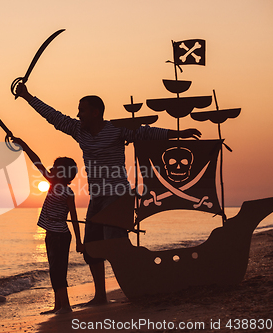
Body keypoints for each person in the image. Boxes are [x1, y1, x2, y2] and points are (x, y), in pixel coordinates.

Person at [15, 83, 201, 305]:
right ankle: (101, 295)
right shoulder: (78, 130)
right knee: (91, 249)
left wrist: (177, 134)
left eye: (82, 110)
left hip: (118, 195)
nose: (77, 114)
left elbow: (147, 132)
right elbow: (54, 117)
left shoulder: (117, 130)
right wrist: (27, 96)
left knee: (115, 246)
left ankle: (136, 288)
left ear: (96, 112)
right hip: (97, 197)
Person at [11, 136, 83, 314]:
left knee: (58, 271)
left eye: (56, 168)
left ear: (63, 173)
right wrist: (24, 145)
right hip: (53, 234)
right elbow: (37, 162)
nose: (51, 169)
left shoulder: (63, 190)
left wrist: (80, 242)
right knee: (54, 270)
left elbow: (74, 217)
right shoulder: (57, 186)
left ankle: (65, 306)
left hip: (59, 236)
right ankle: (58, 306)